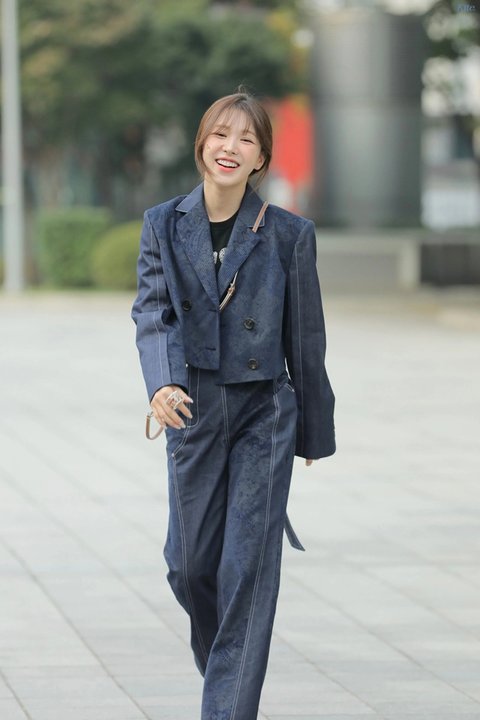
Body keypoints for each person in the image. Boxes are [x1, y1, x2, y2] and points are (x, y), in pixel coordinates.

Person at [131, 90, 335, 720]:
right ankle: (230, 672)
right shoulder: (163, 223)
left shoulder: (288, 234)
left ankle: (227, 708)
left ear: (261, 158)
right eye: (221, 134)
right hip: (190, 408)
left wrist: (312, 429)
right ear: (202, 144)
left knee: (246, 571)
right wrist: (162, 384)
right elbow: (153, 312)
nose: (231, 147)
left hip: (262, 413)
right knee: (188, 568)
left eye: (247, 139)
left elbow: (306, 336)